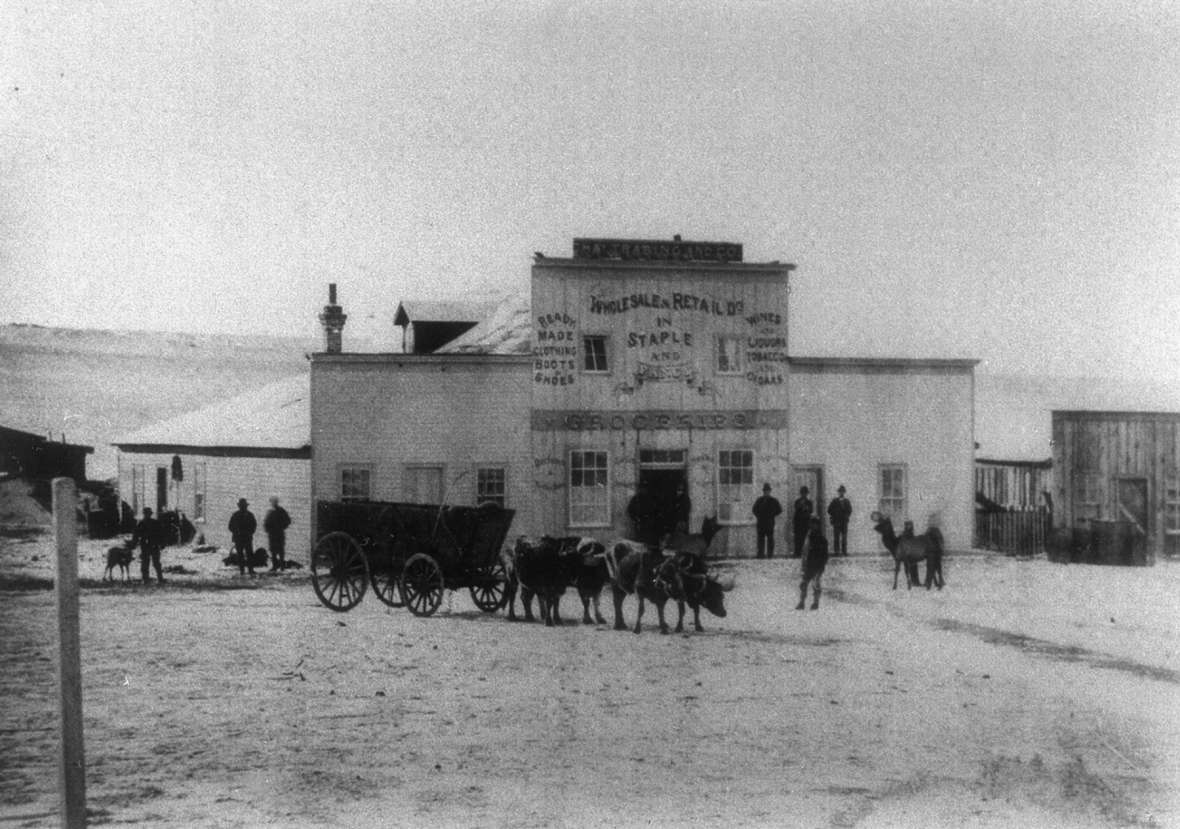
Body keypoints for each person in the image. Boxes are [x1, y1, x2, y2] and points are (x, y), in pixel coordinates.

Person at [796, 516, 829, 610]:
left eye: (814, 524)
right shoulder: (808, 537)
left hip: (816, 566)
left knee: (815, 584)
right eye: (811, 524)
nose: (812, 526)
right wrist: (804, 564)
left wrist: (820, 566)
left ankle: (815, 603)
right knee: (804, 584)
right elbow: (804, 553)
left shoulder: (820, 539)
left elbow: (824, 555)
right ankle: (802, 602)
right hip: (808, 565)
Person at [131, 506, 165, 585]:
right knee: (145, 562)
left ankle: (159, 578)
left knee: (155, 562)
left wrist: (162, 543)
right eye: (146, 514)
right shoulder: (141, 523)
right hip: (146, 545)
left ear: (150, 514)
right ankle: (145, 579)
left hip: (152, 545)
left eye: (148, 514)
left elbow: (161, 534)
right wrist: (134, 543)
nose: (147, 515)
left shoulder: (155, 523)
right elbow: (136, 535)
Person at [751, 483, 783, 559]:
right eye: (765, 491)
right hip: (761, 522)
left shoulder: (774, 500)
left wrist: (772, 515)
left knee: (770, 539)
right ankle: (760, 554)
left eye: (768, 491)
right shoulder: (759, 500)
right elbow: (754, 509)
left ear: (770, 491)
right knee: (760, 539)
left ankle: (770, 555)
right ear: (763, 491)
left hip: (770, 523)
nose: (766, 492)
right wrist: (759, 516)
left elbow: (779, 510)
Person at [626, 483, 662, 548]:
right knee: (641, 542)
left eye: (645, 489)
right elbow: (630, 510)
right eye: (642, 489)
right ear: (640, 489)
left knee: (652, 541)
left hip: (651, 524)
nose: (644, 490)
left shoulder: (652, 498)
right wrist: (636, 519)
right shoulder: (636, 499)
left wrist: (655, 520)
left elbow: (657, 511)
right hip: (641, 524)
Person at [228, 498, 258, 575]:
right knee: (240, 554)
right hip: (239, 538)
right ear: (239, 507)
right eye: (242, 506)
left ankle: (250, 569)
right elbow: (230, 526)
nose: (243, 507)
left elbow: (254, 525)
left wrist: (250, 532)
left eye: (244, 506)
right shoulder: (235, 515)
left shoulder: (250, 515)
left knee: (249, 554)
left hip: (247, 537)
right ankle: (242, 570)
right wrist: (236, 532)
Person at [264, 496, 292, 572]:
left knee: (280, 550)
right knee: (273, 550)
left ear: (277, 502)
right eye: (272, 502)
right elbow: (266, 523)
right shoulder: (270, 512)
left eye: (274, 501)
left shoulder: (281, 511)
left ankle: (282, 566)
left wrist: (282, 527)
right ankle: (275, 566)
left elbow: (288, 520)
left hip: (279, 533)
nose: (273, 503)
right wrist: (267, 529)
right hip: (272, 534)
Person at [827, 485, 852, 556]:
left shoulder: (847, 501)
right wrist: (835, 514)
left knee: (844, 537)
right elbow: (829, 510)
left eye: (843, 492)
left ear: (844, 492)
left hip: (844, 522)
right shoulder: (835, 501)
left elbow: (850, 510)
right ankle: (836, 551)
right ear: (838, 492)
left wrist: (846, 515)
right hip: (837, 521)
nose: (841, 493)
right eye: (840, 492)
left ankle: (844, 551)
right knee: (836, 537)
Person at [791, 486, 813, 558]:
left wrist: (806, 508)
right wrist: (801, 505)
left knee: (805, 538)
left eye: (805, 493)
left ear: (807, 494)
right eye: (802, 493)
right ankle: (797, 552)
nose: (804, 495)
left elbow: (810, 510)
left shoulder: (809, 502)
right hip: (798, 523)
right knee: (798, 538)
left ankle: (805, 553)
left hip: (806, 523)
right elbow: (796, 508)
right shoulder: (797, 501)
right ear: (801, 494)